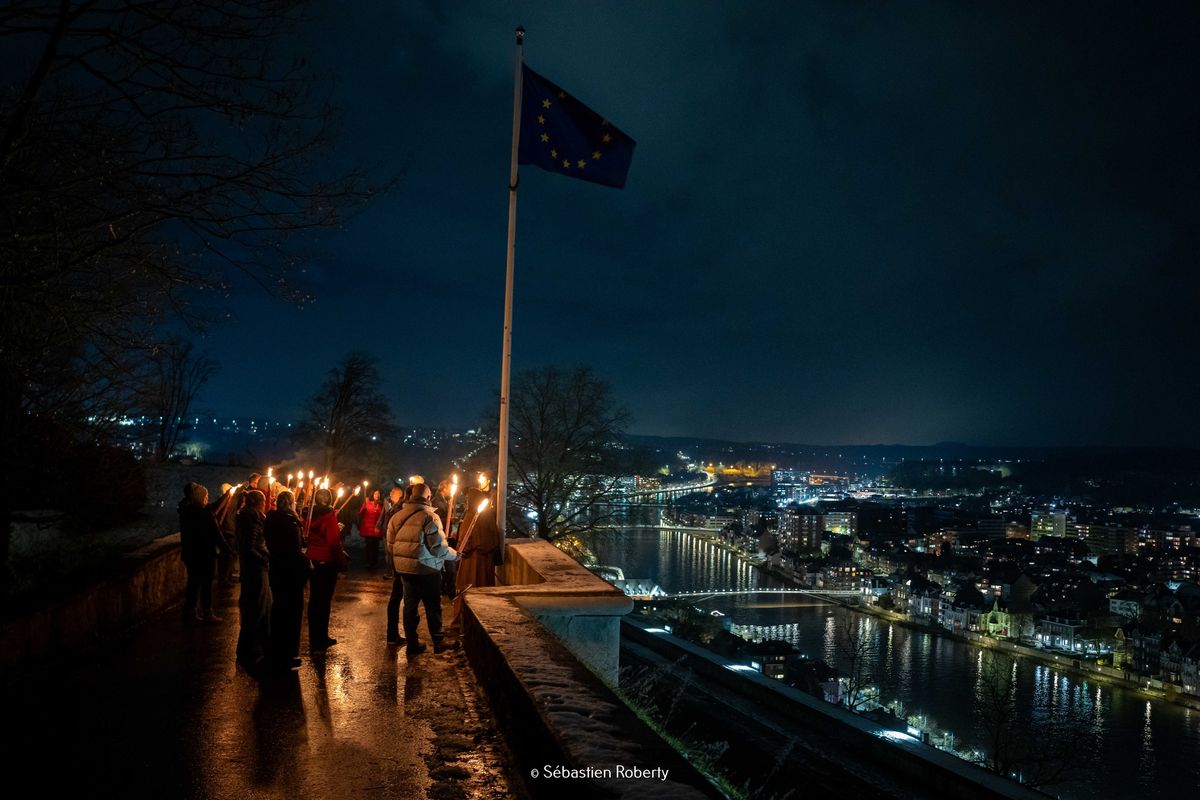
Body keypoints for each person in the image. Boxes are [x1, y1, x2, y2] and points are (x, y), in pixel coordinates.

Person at [387, 482, 460, 655]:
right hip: (427, 569)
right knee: (432, 606)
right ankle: (438, 641)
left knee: (410, 606)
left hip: (404, 570)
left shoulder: (396, 516)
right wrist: (454, 555)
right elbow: (438, 549)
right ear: (428, 497)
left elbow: (390, 545)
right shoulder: (430, 517)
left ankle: (412, 643)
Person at [264, 490, 308, 671]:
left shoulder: (271, 519)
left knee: (278, 610)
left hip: (276, 570)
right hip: (290, 572)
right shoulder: (290, 522)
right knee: (291, 613)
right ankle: (287, 654)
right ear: (290, 504)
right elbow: (294, 549)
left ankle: (275, 652)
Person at [235, 489, 271, 673]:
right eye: (264, 502)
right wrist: (264, 558)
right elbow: (249, 547)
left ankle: (257, 650)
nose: (265, 504)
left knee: (260, 609)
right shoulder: (251, 519)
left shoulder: (249, 517)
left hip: (255, 569)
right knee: (255, 610)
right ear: (258, 502)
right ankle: (247, 652)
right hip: (255, 571)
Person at [305, 488, 345, 649]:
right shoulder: (329, 518)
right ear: (329, 500)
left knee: (314, 599)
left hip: (313, 559)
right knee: (324, 601)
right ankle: (320, 637)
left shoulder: (308, 515)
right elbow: (334, 543)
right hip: (327, 562)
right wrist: (341, 562)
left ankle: (314, 636)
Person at [178, 482, 223, 624]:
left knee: (194, 583)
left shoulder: (187, 510)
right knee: (205, 585)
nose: (207, 499)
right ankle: (207, 613)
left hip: (191, 554)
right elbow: (216, 535)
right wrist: (229, 550)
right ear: (199, 498)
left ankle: (190, 612)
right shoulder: (202, 514)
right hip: (204, 555)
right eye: (205, 496)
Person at [456, 484, 502, 593]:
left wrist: (463, 546)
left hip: (474, 559)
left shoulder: (475, 515)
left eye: (468, 498)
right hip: (482, 559)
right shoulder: (482, 515)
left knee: (474, 586)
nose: (466, 501)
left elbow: (467, 540)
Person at [434, 479, 459, 599]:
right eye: (450, 488)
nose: (451, 491)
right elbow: (435, 521)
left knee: (447, 565)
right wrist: (449, 521)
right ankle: (449, 591)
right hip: (441, 537)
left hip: (446, 535)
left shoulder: (445, 501)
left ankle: (445, 588)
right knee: (448, 566)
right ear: (444, 489)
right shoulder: (437, 502)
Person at [378, 485, 404, 581]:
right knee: (387, 553)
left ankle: (396, 572)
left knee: (395, 553)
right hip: (387, 530)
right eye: (391, 492)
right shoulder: (387, 502)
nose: (391, 494)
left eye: (394, 493)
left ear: (400, 495)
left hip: (396, 532)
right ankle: (389, 571)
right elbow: (383, 514)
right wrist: (378, 525)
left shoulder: (402, 505)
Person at [358, 488, 384, 569]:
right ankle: (369, 562)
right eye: (376, 493)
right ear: (372, 495)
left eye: (378, 494)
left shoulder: (381, 505)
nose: (377, 495)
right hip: (368, 529)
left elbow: (382, 516)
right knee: (369, 547)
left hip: (376, 530)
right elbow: (360, 514)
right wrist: (363, 509)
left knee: (375, 547)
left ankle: (374, 562)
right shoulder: (367, 503)